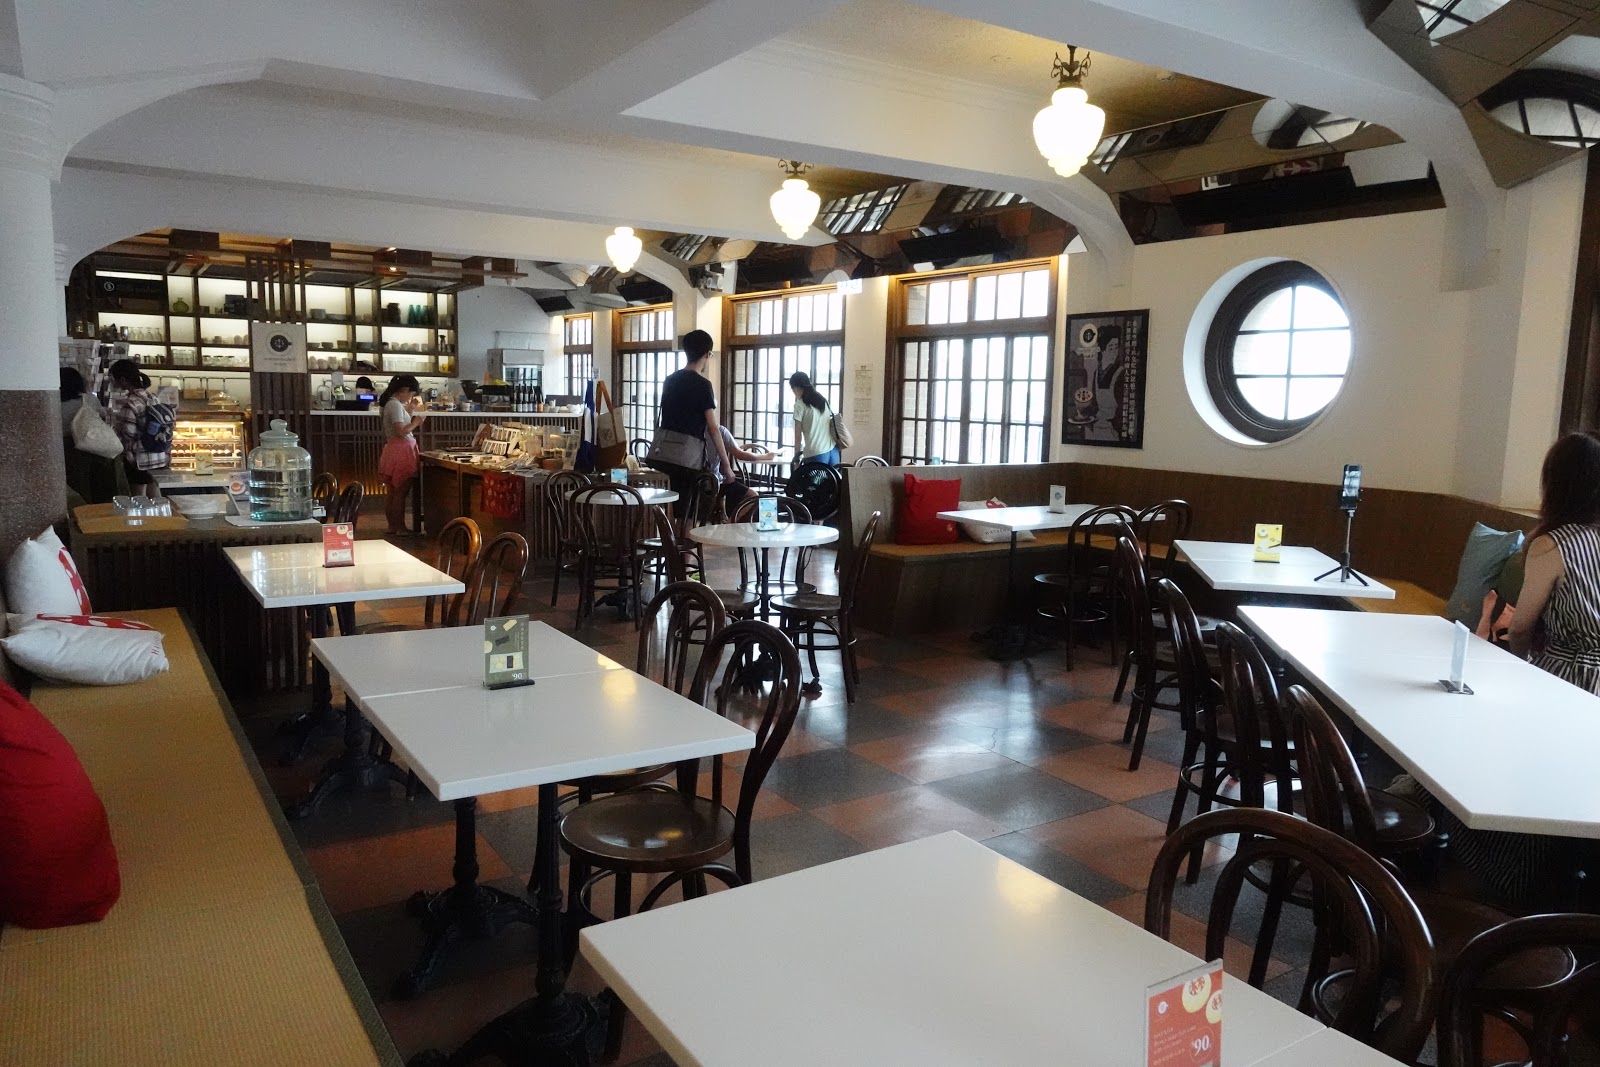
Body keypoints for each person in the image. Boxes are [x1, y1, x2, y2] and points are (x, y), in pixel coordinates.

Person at [1409, 431, 1600, 908]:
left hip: (1567, 680)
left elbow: (1521, 627)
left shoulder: (1553, 544)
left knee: (1501, 768)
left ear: (1555, 483)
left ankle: (1516, 879)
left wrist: (1521, 657)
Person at [646, 329, 733, 507]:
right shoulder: (703, 385)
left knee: (666, 506)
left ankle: (666, 526)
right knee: (686, 510)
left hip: (663, 454)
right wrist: (726, 464)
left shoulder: (670, 380)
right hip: (687, 458)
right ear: (707, 354)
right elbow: (713, 428)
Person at [106, 358, 171, 498]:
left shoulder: (130, 402)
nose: (112, 382)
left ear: (122, 379)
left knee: (138, 496)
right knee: (155, 493)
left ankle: (142, 513)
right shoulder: (153, 397)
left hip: (139, 458)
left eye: (113, 379)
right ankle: (161, 513)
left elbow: (128, 433)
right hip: (158, 455)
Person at [376, 374, 426, 536]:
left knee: (392, 492)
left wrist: (410, 409)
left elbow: (399, 424)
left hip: (393, 449)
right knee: (400, 492)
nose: (410, 397)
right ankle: (401, 528)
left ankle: (392, 526)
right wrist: (416, 422)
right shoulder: (395, 405)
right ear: (404, 390)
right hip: (402, 451)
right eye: (411, 394)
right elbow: (400, 431)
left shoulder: (390, 404)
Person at [704, 424, 776, 516]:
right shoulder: (720, 431)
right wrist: (766, 456)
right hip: (715, 483)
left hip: (696, 481)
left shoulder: (691, 431)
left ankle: (725, 516)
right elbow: (740, 454)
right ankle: (731, 521)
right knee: (753, 495)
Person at [789, 371, 839, 467]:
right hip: (833, 451)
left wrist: (796, 458)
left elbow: (797, 435)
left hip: (816, 453)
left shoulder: (799, 405)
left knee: (812, 478)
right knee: (833, 477)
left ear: (796, 387)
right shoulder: (822, 400)